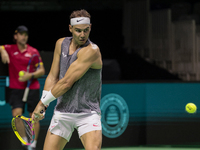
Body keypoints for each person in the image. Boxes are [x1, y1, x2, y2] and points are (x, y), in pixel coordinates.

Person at [32, 9, 102, 150]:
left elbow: (66, 83)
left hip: (87, 113)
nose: (82, 35)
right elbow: (53, 76)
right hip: (63, 111)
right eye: (78, 30)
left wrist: (41, 102)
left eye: (86, 30)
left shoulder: (92, 51)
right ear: (70, 28)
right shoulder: (61, 44)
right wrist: (44, 105)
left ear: (90, 28)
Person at [0, 25, 45, 150]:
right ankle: (25, 140)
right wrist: (2, 51)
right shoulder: (10, 48)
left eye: (26, 34)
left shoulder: (33, 52)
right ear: (15, 36)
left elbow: (41, 70)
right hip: (16, 88)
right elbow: (1, 46)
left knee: (34, 116)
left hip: (32, 87)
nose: (24, 36)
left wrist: (29, 75)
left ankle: (34, 144)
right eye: (21, 34)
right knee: (17, 115)